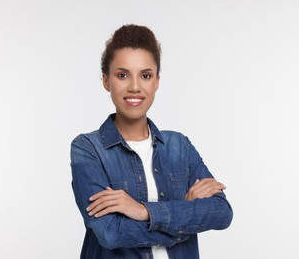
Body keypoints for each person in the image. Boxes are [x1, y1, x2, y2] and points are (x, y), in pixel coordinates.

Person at [70, 24, 233, 259]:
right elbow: (111, 233)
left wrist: (141, 210)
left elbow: (221, 213)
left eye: (145, 75)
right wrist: (184, 215)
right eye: (122, 75)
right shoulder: (88, 149)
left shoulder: (179, 146)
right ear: (106, 80)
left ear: (156, 81)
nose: (135, 86)